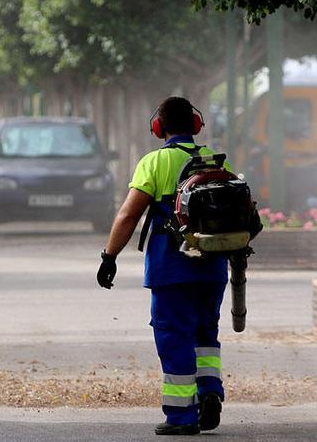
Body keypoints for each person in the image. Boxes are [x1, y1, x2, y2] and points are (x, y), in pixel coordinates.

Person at [97, 96, 230, 436]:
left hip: (171, 268)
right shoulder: (213, 159)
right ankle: (210, 392)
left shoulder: (154, 163)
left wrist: (109, 257)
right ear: (195, 125)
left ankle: (182, 416)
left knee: (174, 337)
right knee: (205, 332)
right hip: (214, 266)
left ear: (159, 127)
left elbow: (128, 214)